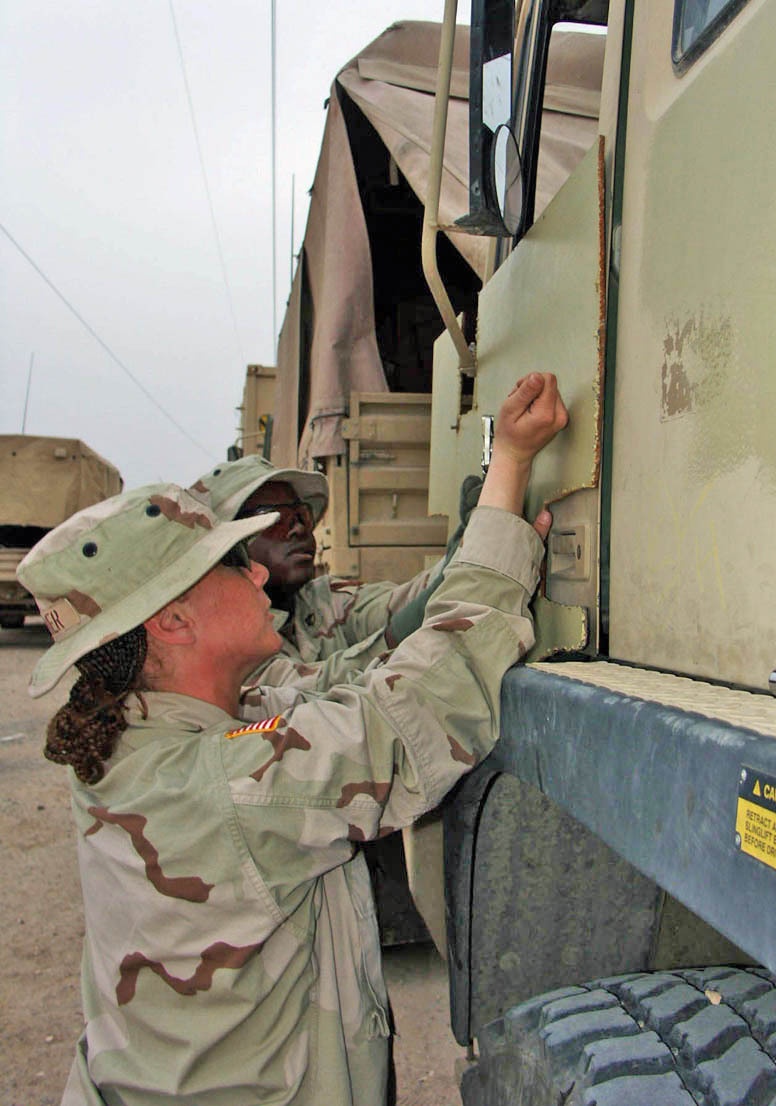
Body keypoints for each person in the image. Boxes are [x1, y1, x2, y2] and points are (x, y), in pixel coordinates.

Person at [19, 371, 568, 1106]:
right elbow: (426, 703)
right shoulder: (225, 785)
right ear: (171, 623)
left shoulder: (150, 730)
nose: (255, 570)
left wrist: (483, 540)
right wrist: (511, 465)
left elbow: (342, 686)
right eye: (226, 563)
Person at [189, 457, 483, 702]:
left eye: (302, 514)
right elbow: (317, 692)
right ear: (227, 546)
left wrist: (466, 548)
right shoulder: (226, 648)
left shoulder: (322, 598)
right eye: (275, 518)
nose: (299, 529)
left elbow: (403, 602)